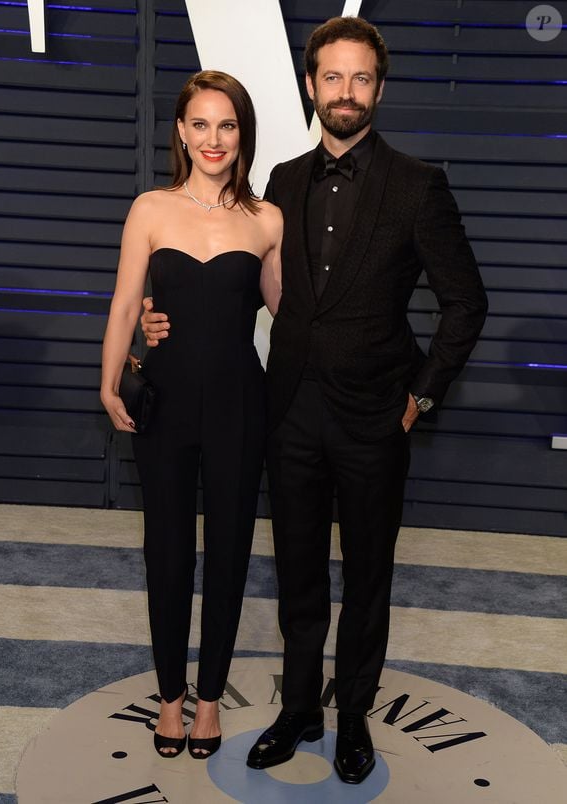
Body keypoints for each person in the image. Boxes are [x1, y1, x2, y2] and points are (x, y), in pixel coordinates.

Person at [141, 16, 488, 784]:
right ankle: (299, 709)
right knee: (298, 575)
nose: (346, 91)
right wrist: (160, 315)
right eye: (333, 76)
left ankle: (354, 718)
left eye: (361, 78)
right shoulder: (282, 183)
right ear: (311, 86)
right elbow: (248, 286)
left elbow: (466, 302)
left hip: (375, 416)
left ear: (379, 89)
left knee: (366, 579)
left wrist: (422, 396)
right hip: (288, 410)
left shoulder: (418, 186)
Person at [101, 70, 282, 760]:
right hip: (167, 402)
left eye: (226, 125)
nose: (213, 139)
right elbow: (126, 302)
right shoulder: (150, 209)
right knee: (168, 552)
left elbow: (290, 316)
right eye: (200, 124)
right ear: (180, 131)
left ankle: (209, 704)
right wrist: (109, 380)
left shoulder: (267, 221)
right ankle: (170, 700)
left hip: (241, 404)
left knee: (231, 554)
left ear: (242, 135)